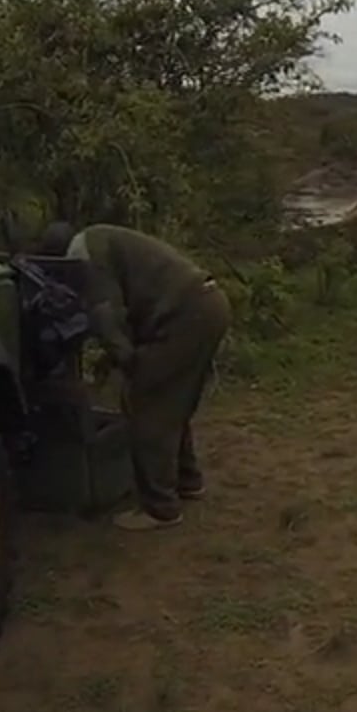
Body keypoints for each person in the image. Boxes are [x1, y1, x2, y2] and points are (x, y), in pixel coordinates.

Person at [38, 221, 233, 533]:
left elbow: (106, 314)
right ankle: (187, 481)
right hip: (208, 304)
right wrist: (114, 355)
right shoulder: (101, 238)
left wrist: (126, 360)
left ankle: (160, 507)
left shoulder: (84, 254)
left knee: (145, 401)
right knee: (174, 400)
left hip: (184, 317)